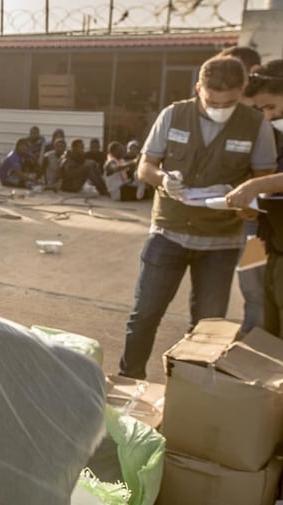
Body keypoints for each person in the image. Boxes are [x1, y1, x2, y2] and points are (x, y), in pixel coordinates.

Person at [118, 55, 277, 379]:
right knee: (144, 315)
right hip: (168, 233)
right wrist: (163, 180)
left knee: (206, 329)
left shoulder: (256, 124)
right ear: (198, 88)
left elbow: (264, 179)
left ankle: (188, 393)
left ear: (242, 89)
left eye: (228, 103)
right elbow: (145, 167)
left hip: (221, 242)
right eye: (212, 101)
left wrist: (242, 196)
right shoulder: (173, 115)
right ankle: (130, 381)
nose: (220, 109)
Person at [224, 60, 283, 337]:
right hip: (266, 234)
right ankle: (253, 335)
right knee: (254, 288)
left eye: (271, 107)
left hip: (267, 238)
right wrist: (257, 206)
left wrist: (256, 186)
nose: (268, 117)